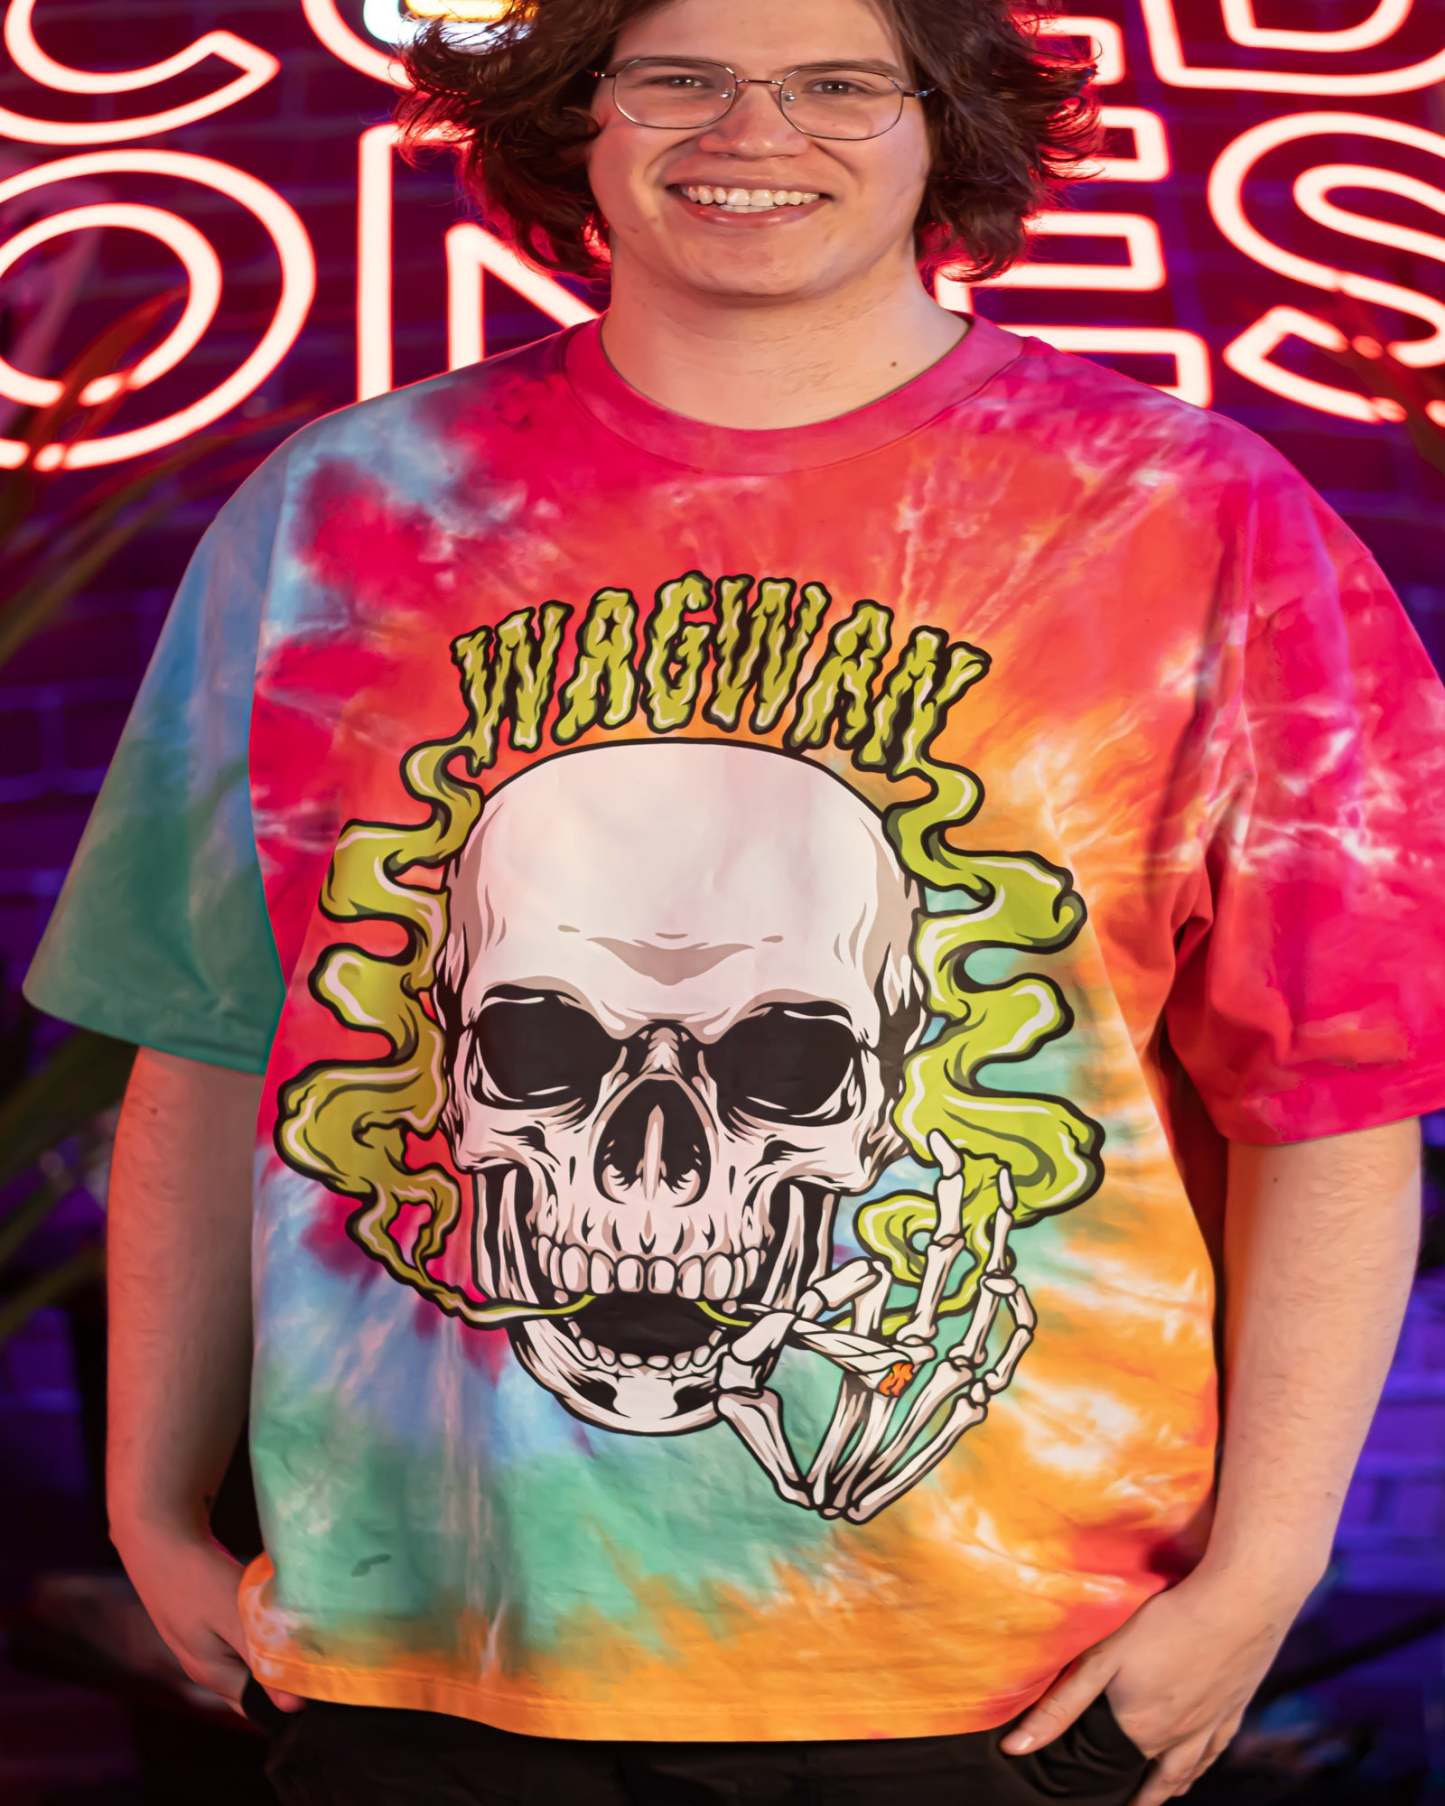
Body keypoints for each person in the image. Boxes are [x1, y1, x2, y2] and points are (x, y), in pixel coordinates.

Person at [23, 0, 1444, 1801]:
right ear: (578, 113)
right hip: (426, 1654)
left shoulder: (1188, 516)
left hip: (1001, 1671)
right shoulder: (340, 513)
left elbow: (1329, 1090)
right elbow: (210, 1041)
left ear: (944, 123)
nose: (750, 129)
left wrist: (1260, 1575)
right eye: (677, 75)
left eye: (838, 81)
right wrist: (149, 1505)